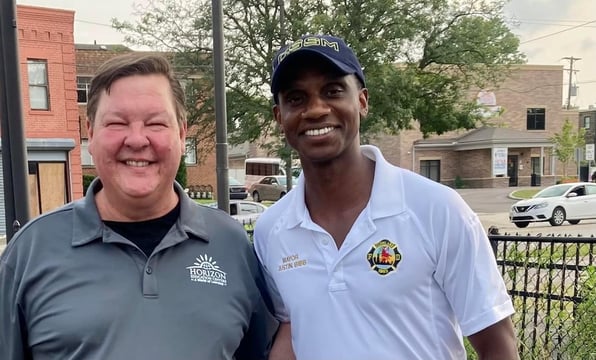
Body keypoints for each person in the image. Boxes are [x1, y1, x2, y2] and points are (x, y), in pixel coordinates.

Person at [253, 34, 519, 360]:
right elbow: (292, 328)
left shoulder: (437, 210)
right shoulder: (271, 231)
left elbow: (497, 345)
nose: (316, 110)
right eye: (296, 98)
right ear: (280, 117)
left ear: (362, 101)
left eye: (333, 91)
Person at [0, 53, 276, 359]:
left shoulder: (230, 244)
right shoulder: (31, 252)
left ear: (182, 134)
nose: (136, 139)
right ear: (90, 133)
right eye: (117, 123)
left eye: (155, 123)